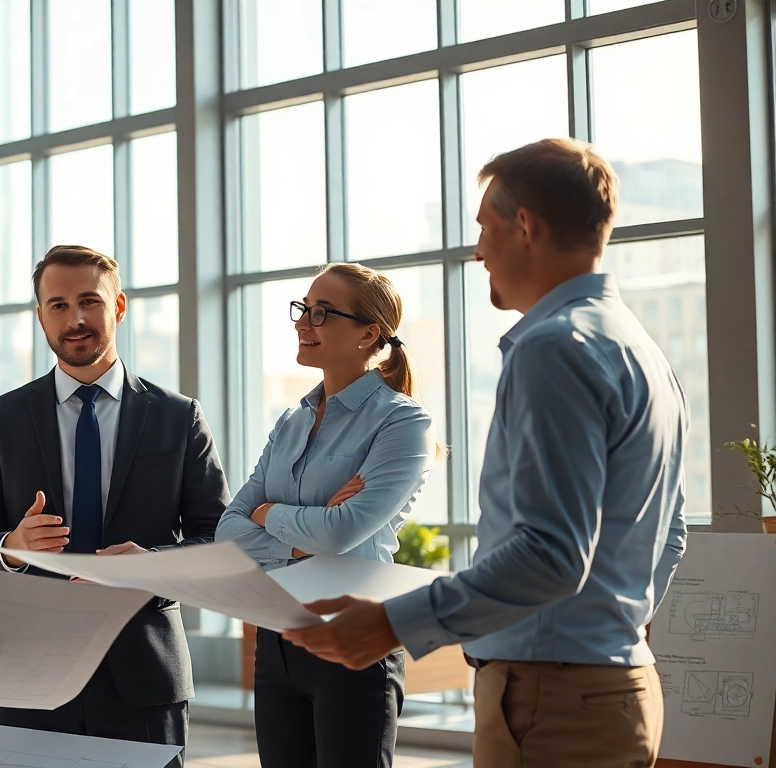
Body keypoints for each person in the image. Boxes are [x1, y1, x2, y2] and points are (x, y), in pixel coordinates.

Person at [281, 139, 689, 768]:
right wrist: (607, 631)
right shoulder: (643, 351)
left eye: (483, 228)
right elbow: (671, 535)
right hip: (614, 685)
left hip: (551, 698)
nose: (477, 250)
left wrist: (392, 623)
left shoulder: (554, 348)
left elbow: (551, 554)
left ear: (524, 225)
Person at [0, 245, 230, 765]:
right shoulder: (2, 419)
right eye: (57, 305)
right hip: (28, 675)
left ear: (118, 306)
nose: (75, 319)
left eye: (89, 302)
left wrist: (151, 564)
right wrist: (12, 546)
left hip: (144, 676)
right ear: (39, 317)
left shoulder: (178, 417)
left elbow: (220, 542)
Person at [216, 262, 435, 768]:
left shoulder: (403, 423)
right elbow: (229, 531)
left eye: (322, 313)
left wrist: (268, 512)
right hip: (277, 638)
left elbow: (341, 534)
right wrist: (302, 529)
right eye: (303, 309)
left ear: (369, 334)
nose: (302, 322)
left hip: (354, 641)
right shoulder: (290, 422)